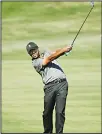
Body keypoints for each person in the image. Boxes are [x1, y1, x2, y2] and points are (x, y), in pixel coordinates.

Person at [26, 42, 72, 133]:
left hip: (62, 84)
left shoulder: (46, 52)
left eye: (34, 50)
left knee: (60, 112)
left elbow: (56, 52)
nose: (33, 53)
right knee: (47, 113)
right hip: (49, 87)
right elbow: (50, 59)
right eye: (30, 52)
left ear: (37, 48)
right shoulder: (35, 62)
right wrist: (63, 50)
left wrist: (66, 49)